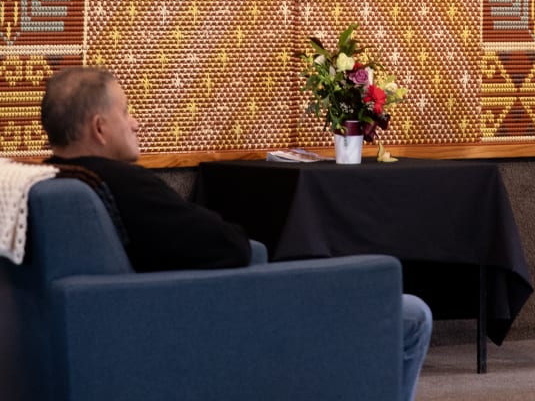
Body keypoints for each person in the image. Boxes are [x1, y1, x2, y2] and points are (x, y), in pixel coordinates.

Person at [40, 66, 432, 399]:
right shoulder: (124, 184)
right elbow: (229, 248)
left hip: (147, 319)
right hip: (206, 324)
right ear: (100, 127)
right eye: (126, 112)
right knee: (411, 314)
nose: (136, 122)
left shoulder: (50, 179)